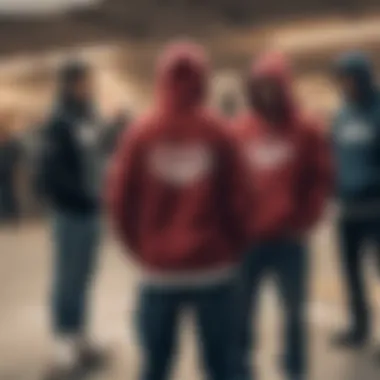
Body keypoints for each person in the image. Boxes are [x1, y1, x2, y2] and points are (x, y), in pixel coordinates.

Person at [107, 41, 254, 380]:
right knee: (225, 365)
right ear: (204, 80)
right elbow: (241, 200)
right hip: (214, 270)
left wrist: (143, 249)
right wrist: (232, 247)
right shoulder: (220, 132)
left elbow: (119, 202)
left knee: (155, 366)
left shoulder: (140, 134)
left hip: (159, 274)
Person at [233, 52, 331, 380]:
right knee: (242, 313)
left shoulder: (306, 129)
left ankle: (295, 370)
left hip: (289, 241)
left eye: (273, 86)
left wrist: (305, 221)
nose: (267, 93)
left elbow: (321, 179)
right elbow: (229, 180)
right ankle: (241, 368)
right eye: (261, 87)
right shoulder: (241, 130)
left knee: (293, 315)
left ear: (284, 86)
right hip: (248, 242)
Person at [37, 60, 107, 379]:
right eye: (85, 81)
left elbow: (95, 159)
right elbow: (50, 175)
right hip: (70, 213)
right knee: (67, 279)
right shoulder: (57, 122)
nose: (90, 86)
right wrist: (79, 196)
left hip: (92, 211)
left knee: (84, 277)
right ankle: (63, 343)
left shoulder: (88, 116)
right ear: (71, 84)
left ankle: (80, 336)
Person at [330, 52, 380, 352]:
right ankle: (359, 327)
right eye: (342, 80)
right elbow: (336, 156)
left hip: (376, 209)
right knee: (351, 273)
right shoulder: (342, 115)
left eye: (350, 79)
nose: (346, 85)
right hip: (348, 211)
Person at [0, 121, 21, 224]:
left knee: (9, 194)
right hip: (4, 173)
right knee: (4, 194)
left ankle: (11, 214)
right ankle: (6, 214)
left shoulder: (10, 146)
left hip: (7, 173)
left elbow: (14, 157)